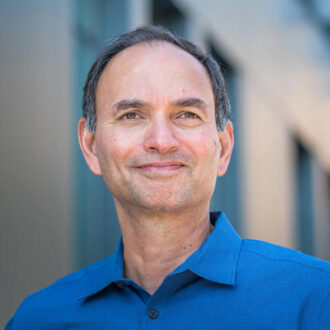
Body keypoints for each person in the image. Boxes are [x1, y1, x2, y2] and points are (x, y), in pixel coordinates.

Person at [6, 25, 329, 329]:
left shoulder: (316, 299)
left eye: (187, 115)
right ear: (91, 147)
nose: (161, 140)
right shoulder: (39, 319)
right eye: (131, 115)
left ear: (224, 147)